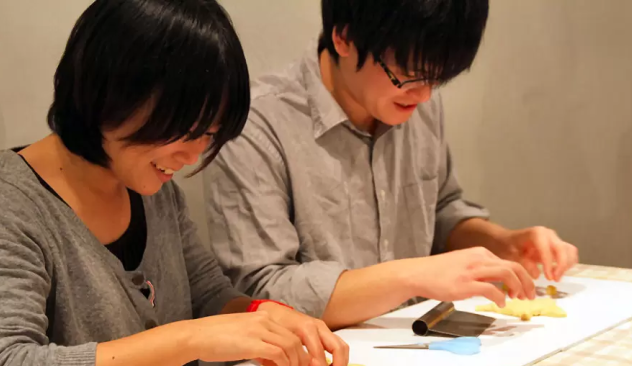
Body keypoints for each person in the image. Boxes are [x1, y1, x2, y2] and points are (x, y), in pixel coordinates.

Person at [0, 0, 348, 366]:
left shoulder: (152, 188)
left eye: (209, 134)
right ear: (111, 93)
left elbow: (207, 295)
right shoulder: (4, 208)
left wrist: (263, 317)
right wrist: (190, 339)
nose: (194, 156)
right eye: (185, 130)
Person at [205, 0, 578, 327]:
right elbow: (259, 290)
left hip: (416, 342)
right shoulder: (256, 124)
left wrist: (504, 243)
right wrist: (409, 277)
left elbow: (441, 211)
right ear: (344, 38)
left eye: (439, 78)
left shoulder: (416, 100)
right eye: (409, 75)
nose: (425, 95)